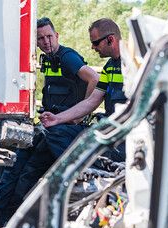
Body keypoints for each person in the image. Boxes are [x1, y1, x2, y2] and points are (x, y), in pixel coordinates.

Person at [0, 17, 99, 228]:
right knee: (15, 170)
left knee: (26, 174)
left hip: (63, 129)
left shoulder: (67, 57)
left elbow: (93, 78)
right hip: (50, 127)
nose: (46, 41)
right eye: (41, 39)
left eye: (49, 36)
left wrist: (77, 116)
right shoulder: (48, 60)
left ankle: (5, 221)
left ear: (57, 36)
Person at [40, 18, 128, 162]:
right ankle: (78, 174)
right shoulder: (109, 66)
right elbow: (91, 101)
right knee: (57, 132)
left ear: (110, 40)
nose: (93, 47)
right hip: (109, 129)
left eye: (95, 42)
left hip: (126, 135)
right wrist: (57, 119)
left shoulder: (134, 64)